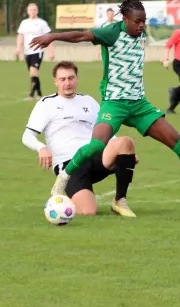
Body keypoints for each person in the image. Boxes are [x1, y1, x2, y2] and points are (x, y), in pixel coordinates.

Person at [29, 0, 180, 208]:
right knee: (96, 145)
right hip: (115, 103)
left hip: (139, 105)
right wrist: (52, 36)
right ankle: (62, 179)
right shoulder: (112, 32)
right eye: (137, 21)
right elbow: (82, 35)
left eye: (143, 21)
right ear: (125, 19)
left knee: (179, 142)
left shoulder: (140, 34)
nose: (141, 25)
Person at [22, 61, 138, 217]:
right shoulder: (46, 104)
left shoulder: (88, 101)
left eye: (71, 78)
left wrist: (126, 154)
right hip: (69, 164)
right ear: (55, 81)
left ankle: (119, 200)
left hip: (95, 155)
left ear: (77, 78)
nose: (67, 83)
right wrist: (41, 148)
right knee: (88, 211)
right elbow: (27, 136)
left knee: (126, 142)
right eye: (62, 79)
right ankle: (69, 195)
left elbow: (106, 131)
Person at [16, 3, 55, 101]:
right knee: (33, 74)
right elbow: (20, 36)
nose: (32, 11)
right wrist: (18, 48)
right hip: (27, 52)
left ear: (37, 11)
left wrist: (51, 52)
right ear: (28, 11)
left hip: (38, 50)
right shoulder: (24, 23)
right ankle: (40, 94)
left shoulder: (42, 23)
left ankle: (31, 95)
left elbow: (49, 38)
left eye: (34, 10)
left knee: (33, 72)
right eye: (30, 10)